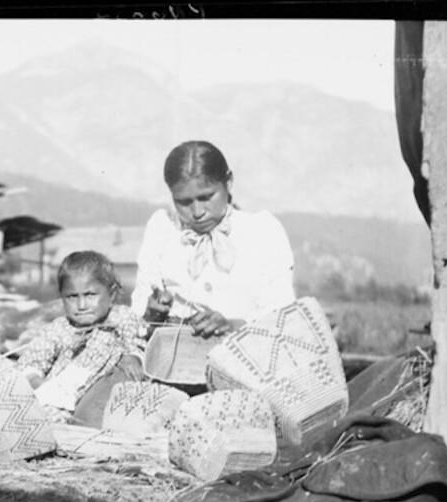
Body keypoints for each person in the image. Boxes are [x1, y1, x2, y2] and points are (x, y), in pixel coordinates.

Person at [131, 140, 296, 337]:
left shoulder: (263, 231)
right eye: (184, 202)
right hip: (177, 359)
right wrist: (152, 312)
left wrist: (233, 325)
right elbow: (139, 309)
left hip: (246, 359)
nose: (197, 212)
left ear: (229, 182)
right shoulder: (162, 229)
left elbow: (281, 316)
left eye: (206, 197)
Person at [17, 251, 145, 425]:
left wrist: (133, 356)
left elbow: (136, 339)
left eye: (90, 295)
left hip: (100, 392)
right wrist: (35, 380)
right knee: (42, 413)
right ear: (62, 297)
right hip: (60, 394)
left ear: (112, 294)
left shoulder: (121, 317)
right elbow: (34, 357)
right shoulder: (61, 327)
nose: (82, 305)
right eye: (72, 297)